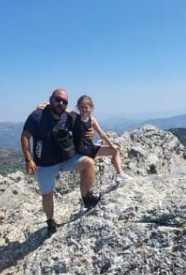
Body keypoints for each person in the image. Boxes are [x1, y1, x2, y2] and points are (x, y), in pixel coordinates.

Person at [21, 88, 100, 235]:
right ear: (51, 98)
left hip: (65, 159)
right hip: (45, 164)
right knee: (47, 194)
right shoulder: (37, 116)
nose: (60, 103)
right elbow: (25, 136)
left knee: (88, 163)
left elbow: (84, 121)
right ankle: (50, 222)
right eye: (57, 99)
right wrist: (29, 159)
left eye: (64, 101)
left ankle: (87, 198)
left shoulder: (67, 116)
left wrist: (89, 132)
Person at [72, 95, 129, 180]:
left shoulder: (92, 120)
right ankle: (87, 191)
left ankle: (120, 173)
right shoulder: (74, 116)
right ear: (78, 108)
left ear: (91, 108)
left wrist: (111, 145)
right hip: (80, 152)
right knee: (85, 174)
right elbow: (63, 109)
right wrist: (48, 105)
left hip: (90, 149)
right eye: (82, 107)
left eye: (86, 107)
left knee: (115, 151)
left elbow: (101, 134)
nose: (84, 110)